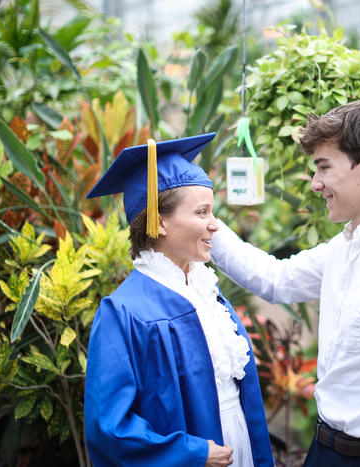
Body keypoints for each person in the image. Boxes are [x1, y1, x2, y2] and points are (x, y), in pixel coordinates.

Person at [210, 100, 360, 467]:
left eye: (324, 167)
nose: (315, 183)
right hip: (323, 450)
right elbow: (276, 278)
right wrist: (201, 219)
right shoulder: (345, 246)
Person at [83, 134, 274, 467]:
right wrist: (192, 454)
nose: (215, 225)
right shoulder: (124, 312)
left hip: (240, 442)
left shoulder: (207, 292)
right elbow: (109, 427)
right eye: (202, 212)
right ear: (160, 222)